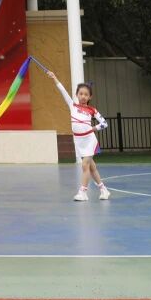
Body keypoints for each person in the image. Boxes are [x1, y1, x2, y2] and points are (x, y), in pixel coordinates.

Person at [44, 71, 110, 202]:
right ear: (77, 95)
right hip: (79, 141)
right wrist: (54, 77)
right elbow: (62, 91)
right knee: (92, 168)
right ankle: (104, 190)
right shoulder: (72, 105)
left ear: (90, 97)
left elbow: (104, 123)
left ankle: (83, 192)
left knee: (85, 165)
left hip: (89, 140)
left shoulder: (92, 110)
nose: (83, 96)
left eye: (86, 94)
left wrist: (94, 128)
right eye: (81, 94)